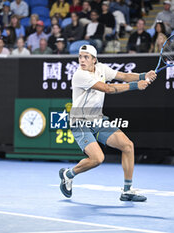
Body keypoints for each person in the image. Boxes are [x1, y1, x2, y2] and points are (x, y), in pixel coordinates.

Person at [59, 44, 157, 201]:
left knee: (128, 146)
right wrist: (136, 86)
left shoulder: (101, 69)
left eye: (86, 57)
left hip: (97, 119)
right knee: (97, 158)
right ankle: (68, 174)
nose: (82, 60)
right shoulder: (80, 75)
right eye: (80, 57)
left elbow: (123, 76)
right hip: (79, 121)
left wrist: (143, 75)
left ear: (94, 60)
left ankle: (127, 190)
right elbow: (107, 89)